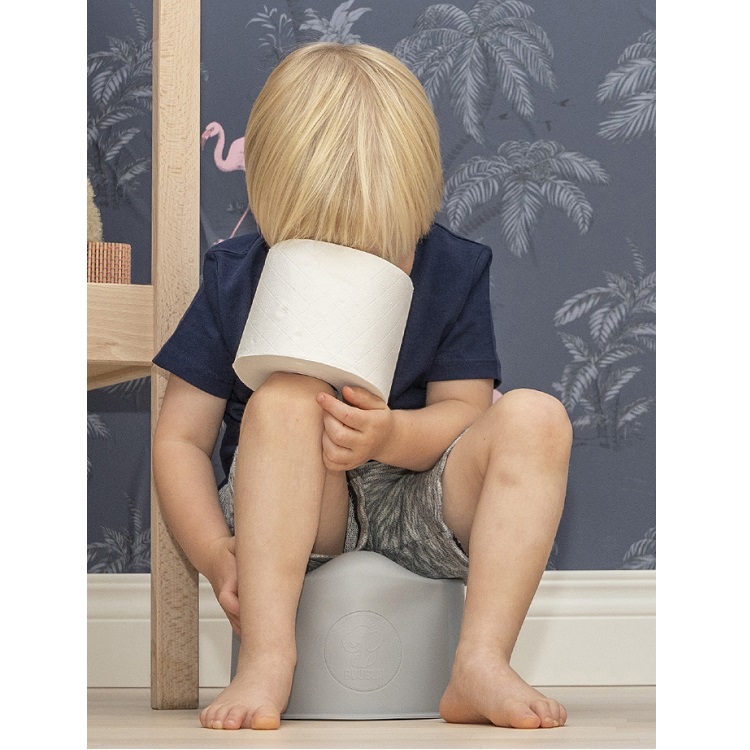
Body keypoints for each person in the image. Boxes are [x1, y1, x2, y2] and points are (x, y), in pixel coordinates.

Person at [152, 42, 573, 731]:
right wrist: (213, 553)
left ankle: (480, 660)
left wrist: (392, 435)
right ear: (272, 214)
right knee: (285, 399)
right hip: (293, 507)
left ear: (418, 208)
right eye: (323, 253)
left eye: (382, 250)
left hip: (416, 496)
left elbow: (466, 413)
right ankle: (268, 657)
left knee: (536, 418)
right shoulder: (235, 277)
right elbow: (180, 441)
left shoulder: (452, 268)